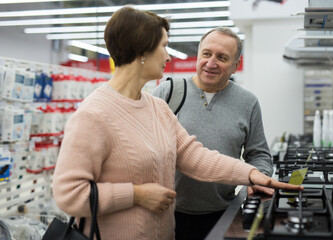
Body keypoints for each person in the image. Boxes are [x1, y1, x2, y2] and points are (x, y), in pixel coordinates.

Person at [52, 7, 303, 240]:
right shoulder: (93, 115)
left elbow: (195, 156)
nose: (168, 55)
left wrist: (253, 175)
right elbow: (69, 195)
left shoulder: (157, 107)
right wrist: (138, 195)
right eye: (164, 46)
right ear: (142, 51)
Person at [153, 27, 275, 239]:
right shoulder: (167, 92)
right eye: (206, 54)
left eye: (222, 57)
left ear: (236, 65)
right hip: (167, 214)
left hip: (223, 214)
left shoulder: (248, 102)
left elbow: (259, 154)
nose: (211, 63)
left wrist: (258, 178)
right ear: (198, 55)